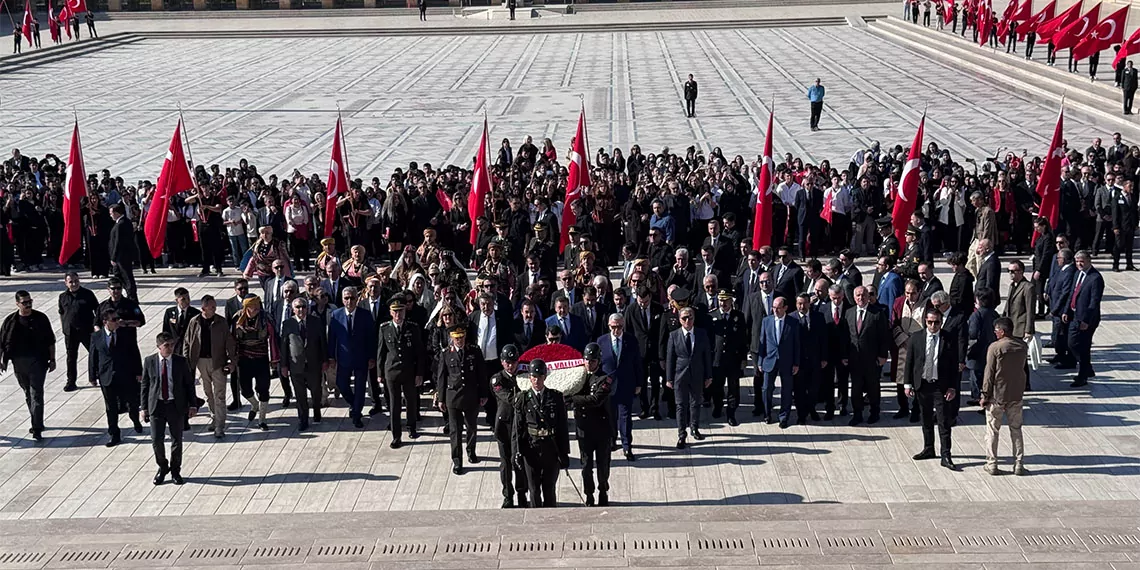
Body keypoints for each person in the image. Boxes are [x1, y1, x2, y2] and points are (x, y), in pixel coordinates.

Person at [905, 308, 962, 471]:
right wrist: (907, 384)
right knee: (926, 419)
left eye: (936, 322)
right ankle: (929, 448)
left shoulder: (949, 339)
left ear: (941, 322)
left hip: (940, 386)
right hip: (922, 384)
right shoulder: (916, 338)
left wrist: (952, 387)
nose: (933, 325)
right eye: (930, 322)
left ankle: (946, 454)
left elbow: (953, 366)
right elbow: (909, 362)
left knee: (944, 421)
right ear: (925, 321)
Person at [511, 358, 569, 508]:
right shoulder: (523, 399)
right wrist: (516, 452)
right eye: (533, 377)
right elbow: (518, 429)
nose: (536, 380)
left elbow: (562, 426)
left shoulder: (555, 397)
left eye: (540, 377)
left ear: (545, 377)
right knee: (534, 488)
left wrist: (564, 452)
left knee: (549, 488)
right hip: (531, 448)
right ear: (529, 377)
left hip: (550, 447)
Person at [0, 291, 57, 441]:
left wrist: (52, 358)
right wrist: (2, 360)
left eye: (29, 301)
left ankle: (37, 427)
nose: (28, 304)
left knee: (36, 393)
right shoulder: (11, 321)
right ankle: (36, 419)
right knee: (28, 393)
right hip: (19, 363)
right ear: (17, 304)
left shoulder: (40, 318)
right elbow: (3, 342)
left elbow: (50, 340)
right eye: (24, 302)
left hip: (38, 361)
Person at [141, 332, 196, 486]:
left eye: (172, 345)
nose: (170, 348)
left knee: (176, 440)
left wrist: (192, 404)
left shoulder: (180, 362)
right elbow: (145, 385)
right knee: (156, 440)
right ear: (159, 346)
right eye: (167, 346)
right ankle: (163, 466)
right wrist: (144, 407)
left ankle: (175, 470)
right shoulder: (150, 361)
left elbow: (188, 384)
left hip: (175, 405)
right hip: (157, 406)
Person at [435, 325, 488, 475]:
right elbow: (441, 377)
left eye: (461, 337)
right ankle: (457, 460)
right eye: (456, 338)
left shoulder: (474, 351)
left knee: (471, 427)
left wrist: (483, 394)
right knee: (455, 431)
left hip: (471, 396)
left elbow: (481, 374)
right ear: (452, 338)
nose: (459, 341)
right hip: (453, 397)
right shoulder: (446, 354)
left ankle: (471, 451)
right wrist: (441, 398)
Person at [89, 309, 143, 446]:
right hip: (107, 376)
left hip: (126, 374)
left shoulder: (125, 334)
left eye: (118, 318)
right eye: (114, 320)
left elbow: (134, 352)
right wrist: (92, 376)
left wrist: (139, 372)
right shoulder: (96, 336)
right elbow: (93, 357)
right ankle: (114, 434)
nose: (118, 321)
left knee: (132, 402)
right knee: (111, 407)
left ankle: (135, 420)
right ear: (105, 322)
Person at [183, 295, 236, 438]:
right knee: (208, 393)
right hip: (200, 362)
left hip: (218, 361)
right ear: (203, 308)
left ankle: (220, 426)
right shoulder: (194, 322)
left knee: (220, 394)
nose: (214, 309)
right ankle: (214, 417)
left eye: (214, 306)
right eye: (211, 307)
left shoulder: (221, 322)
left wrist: (232, 361)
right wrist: (187, 362)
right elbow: (187, 342)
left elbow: (229, 342)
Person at [982, 317, 1029, 476]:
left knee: (992, 430)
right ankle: (1019, 464)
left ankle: (992, 463)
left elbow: (989, 374)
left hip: (997, 395)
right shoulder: (1022, 346)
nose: (995, 333)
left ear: (1002, 331)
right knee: (1016, 429)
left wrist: (984, 395)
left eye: (996, 330)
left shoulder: (995, 347)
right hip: (1016, 394)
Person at [377, 296, 426, 446]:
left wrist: (419, 373)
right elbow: (381, 352)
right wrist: (379, 374)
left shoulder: (413, 328)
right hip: (391, 371)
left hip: (409, 371)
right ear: (391, 313)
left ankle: (411, 427)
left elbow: (420, 353)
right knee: (394, 404)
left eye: (401, 311)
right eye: (395, 311)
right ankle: (396, 435)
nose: (398, 315)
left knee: (411, 401)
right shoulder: (384, 328)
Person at [571, 343, 614, 507]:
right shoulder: (578, 377)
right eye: (587, 360)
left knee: (603, 465)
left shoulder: (604, 379)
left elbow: (596, 400)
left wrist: (574, 399)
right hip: (584, 430)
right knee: (586, 466)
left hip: (601, 430)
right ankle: (589, 494)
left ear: (599, 361)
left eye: (593, 360)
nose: (589, 363)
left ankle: (603, 490)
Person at [840, 285, 890, 426]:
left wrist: (882, 356)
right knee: (856, 388)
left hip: (872, 359)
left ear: (868, 297)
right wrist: (844, 355)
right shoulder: (849, 313)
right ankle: (857, 414)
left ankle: (874, 412)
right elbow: (845, 336)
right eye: (858, 295)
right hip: (854, 359)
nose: (860, 298)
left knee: (873, 387)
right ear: (854, 297)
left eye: (863, 295)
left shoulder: (877, 313)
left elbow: (883, 336)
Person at [665, 307, 712, 448]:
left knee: (695, 403)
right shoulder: (674, 335)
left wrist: (708, 375)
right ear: (679, 320)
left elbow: (707, 356)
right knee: (680, 405)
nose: (687, 321)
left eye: (690, 317)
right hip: (680, 375)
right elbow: (670, 358)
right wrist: (669, 378)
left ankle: (694, 427)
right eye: (684, 318)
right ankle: (681, 434)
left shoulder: (701, 334)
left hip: (697, 374)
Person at [329, 286, 376, 428]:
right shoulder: (336, 315)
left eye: (352, 298)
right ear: (343, 300)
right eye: (346, 298)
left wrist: (372, 357)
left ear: (357, 299)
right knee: (342, 384)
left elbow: (371, 338)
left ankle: (356, 414)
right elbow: (332, 338)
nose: (349, 301)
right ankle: (354, 402)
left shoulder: (366, 315)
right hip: (344, 358)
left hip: (361, 358)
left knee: (361, 387)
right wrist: (331, 356)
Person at [278, 296, 327, 432]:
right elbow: (284, 346)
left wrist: (325, 360)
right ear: (293, 309)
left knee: (316, 391)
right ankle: (303, 419)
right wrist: (284, 365)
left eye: (303, 307)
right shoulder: (288, 324)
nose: (301, 310)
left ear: (307, 308)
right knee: (300, 395)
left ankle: (316, 412)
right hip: (296, 365)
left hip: (313, 364)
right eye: (298, 307)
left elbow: (322, 342)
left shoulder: (315, 321)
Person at [598, 313, 642, 459]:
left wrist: (639, 383)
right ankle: (612, 440)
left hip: (626, 384)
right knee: (610, 416)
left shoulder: (631, 340)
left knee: (625, 417)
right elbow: (598, 365)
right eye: (614, 327)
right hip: (608, 386)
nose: (616, 330)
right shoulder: (601, 341)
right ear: (609, 326)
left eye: (619, 327)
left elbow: (637, 363)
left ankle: (627, 446)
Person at [232, 296, 278, 431]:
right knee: (244, 389)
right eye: (253, 305)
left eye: (258, 304)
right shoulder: (237, 318)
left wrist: (274, 359)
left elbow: (273, 339)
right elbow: (232, 339)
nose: (257, 307)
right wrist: (232, 358)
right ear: (246, 307)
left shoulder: (266, 318)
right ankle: (254, 405)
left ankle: (262, 419)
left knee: (263, 388)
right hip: (244, 359)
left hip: (261, 358)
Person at [490, 344, 527, 508]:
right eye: (507, 362)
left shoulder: (523, 376)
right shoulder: (497, 379)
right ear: (502, 362)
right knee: (506, 462)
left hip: (520, 424)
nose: (511, 365)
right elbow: (508, 397)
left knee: (518, 460)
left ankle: (521, 493)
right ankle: (508, 495)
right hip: (504, 425)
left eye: (513, 361)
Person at [755, 296, 801, 428]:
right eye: (773, 308)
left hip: (787, 361)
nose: (775, 310)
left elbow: (797, 344)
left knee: (786, 390)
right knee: (766, 388)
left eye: (778, 308)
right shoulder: (766, 321)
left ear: (785, 308)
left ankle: (784, 417)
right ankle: (767, 413)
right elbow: (762, 342)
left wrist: (796, 363)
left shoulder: (793, 322)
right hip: (769, 360)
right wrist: (760, 361)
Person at [624, 286, 664, 421]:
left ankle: (655, 408)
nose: (643, 304)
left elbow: (662, 332)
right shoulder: (631, 310)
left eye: (646, 302)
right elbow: (627, 332)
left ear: (650, 298)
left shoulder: (658, 309)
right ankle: (644, 408)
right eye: (641, 302)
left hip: (654, 351)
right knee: (640, 382)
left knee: (655, 382)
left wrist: (661, 354)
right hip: (639, 352)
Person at [1066, 251, 1104, 387]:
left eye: (1081, 261)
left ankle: (1083, 375)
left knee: (1083, 347)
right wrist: (1067, 311)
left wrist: (1086, 321)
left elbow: (1094, 302)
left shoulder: (1095, 278)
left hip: (1087, 319)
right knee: (1072, 343)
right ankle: (1087, 368)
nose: (1079, 264)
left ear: (1089, 260)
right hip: (1075, 316)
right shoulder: (1077, 274)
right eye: (1076, 261)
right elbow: (1072, 293)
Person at [708, 290, 746, 425]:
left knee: (733, 388)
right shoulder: (712, 316)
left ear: (731, 301)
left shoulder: (738, 317)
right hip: (717, 359)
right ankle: (718, 407)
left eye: (725, 300)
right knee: (717, 387)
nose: (722, 303)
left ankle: (731, 413)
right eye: (720, 300)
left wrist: (743, 358)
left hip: (733, 359)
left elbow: (743, 338)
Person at [58, 272, 99, 392]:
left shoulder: (87, 294)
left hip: (87, 330)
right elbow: (61, 313)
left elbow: (98, 311)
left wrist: (97, 327)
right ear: (66, 283)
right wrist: (64, 327)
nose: (74, 284)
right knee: (71, 358)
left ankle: (97, 376)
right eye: (71, 282)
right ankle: (71, 382)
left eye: (76, 281)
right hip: (70, 333)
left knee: (94, 355)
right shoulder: (62, 297)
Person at [108, 204, 138, 299]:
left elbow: (118, 242)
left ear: (116, 213)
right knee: (118, 276)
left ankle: (132, 296)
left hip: (122, 256)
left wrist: (114, 257)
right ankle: (126, 293)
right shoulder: (121, 222)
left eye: (111, 213)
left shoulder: (121, 224)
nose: (110, 215)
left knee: (127, 277)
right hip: (121, 256)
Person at [162, 287, 200, 357]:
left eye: (188, 298)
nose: (187, 301)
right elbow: (166, 329)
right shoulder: (169, 312)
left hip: (188, 347)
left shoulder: (195, 313)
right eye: (183, 299)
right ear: (177, 300)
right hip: (174, 347)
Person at [1111, 179, 1138, 270]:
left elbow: (1135, 211)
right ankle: (1115, 265)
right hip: (1121, 226)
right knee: (1118, 246)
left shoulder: (1133, 197)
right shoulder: (1117, 198)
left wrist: (1136, 223)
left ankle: (1129, 264)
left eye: (1132, 186)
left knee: (1129, 246)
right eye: (1130, 186)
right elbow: (1115, 214)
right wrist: (1115, 227)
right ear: (1124, 186)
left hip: (1130, 226)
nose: (1131, 188)